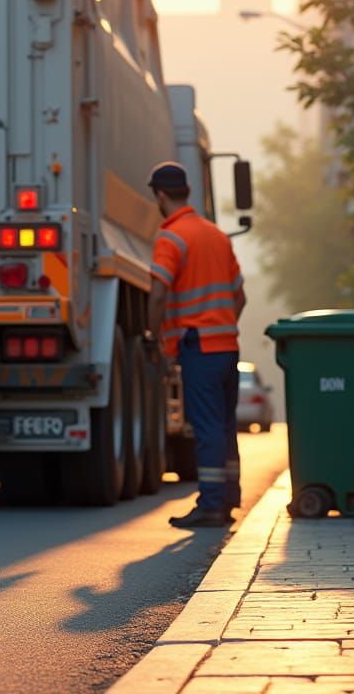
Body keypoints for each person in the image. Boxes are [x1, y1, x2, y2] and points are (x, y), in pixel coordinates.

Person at [145, 161, 246, 529]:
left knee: (205, 427)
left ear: (160, 195)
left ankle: (211, 505)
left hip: (198, 346)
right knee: (223, 425)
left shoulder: (171, 237)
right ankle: (229, 497)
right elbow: (240, 296)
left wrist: (153, 334)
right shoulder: (216, 235)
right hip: (226, 344)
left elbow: (158, 292)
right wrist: (222, 323)